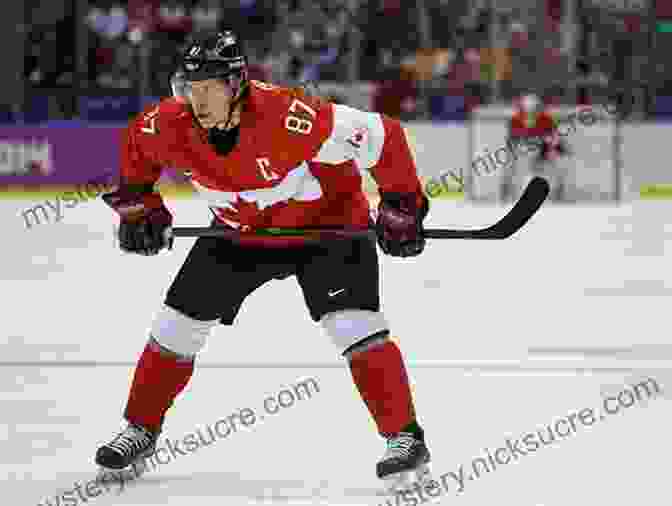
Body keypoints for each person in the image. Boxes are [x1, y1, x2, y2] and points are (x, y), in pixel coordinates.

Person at [96, 31, 432, 491]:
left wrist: (402, 205)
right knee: (175, 327)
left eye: (210, 87)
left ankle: (405, 439)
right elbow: (136, 163)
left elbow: (381, 136)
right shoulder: (163, 125)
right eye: (190, 89)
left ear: (237, 84)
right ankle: (139, 429)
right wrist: (141, 213)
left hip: (326, 229)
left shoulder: (292, 116)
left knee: (353, 326)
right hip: (241, 233)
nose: (199, 101)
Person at [503, 93, 571, 202]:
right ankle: (507, 191)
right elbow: (512, 140)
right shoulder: (516, 120)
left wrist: (556, 148)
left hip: (543, 147)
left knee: (556, 167)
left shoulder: (546, 119)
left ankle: (558, 192)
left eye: (534, 111)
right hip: (524, 147)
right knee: (512, 167)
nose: (532, 114)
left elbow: (554, 137)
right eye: (528, 111)